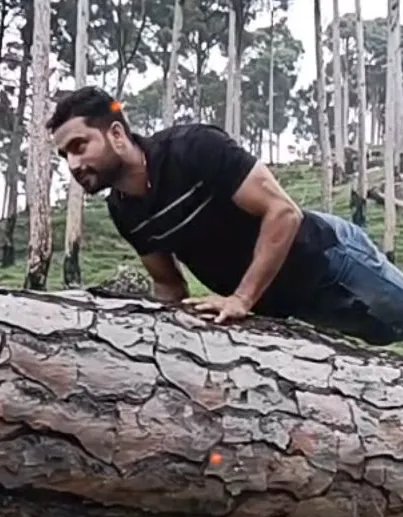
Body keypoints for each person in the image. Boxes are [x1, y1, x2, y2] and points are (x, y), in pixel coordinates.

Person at [47, 85, 403, 345]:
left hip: (330, 259)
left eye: (80, 146)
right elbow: (169, 285)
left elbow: (283, 212)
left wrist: (241, 299)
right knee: (380, 338)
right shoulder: (123, 210)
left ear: (117, 134)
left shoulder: (194, 149)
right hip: (289, 304)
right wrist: (157, 338)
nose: (74, 165)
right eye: (65, 156)